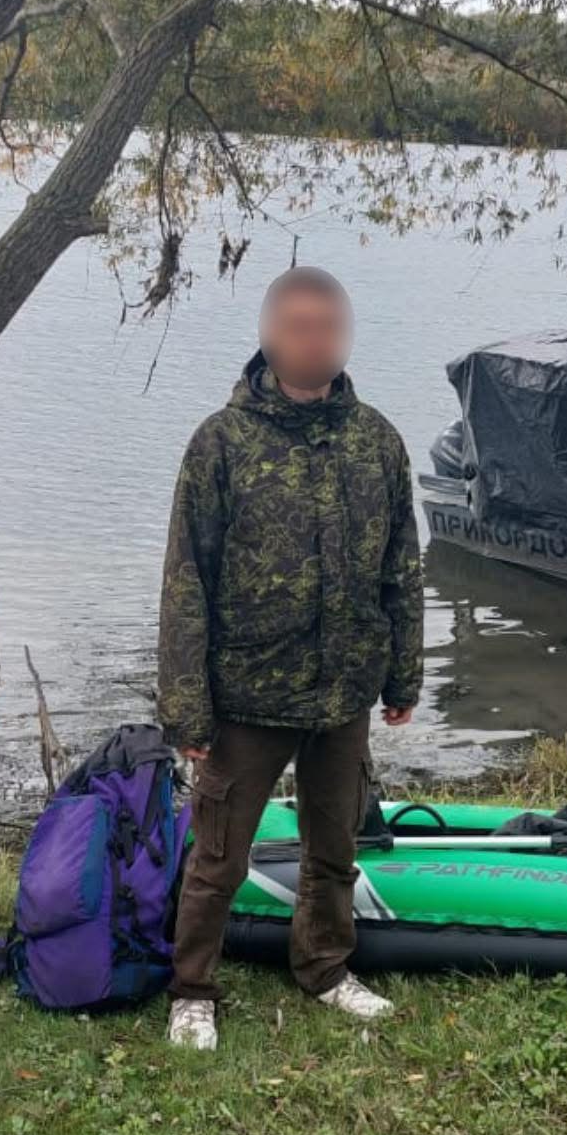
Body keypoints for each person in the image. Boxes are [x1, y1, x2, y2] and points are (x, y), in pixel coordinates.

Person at [157, 267, 422, 1051]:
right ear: (269, 335)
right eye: (300, 327)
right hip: (247, 695)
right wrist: (186, 708)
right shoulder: (222, 442)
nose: (316, 341)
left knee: (333, 846)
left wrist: (403, 672)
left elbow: (402, 564)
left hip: (342, 691)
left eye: (329, 328)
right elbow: (184, 581)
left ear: (346, 336)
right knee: (218, 858)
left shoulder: (376, 440)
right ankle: (192, 990)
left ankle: (326, 968)